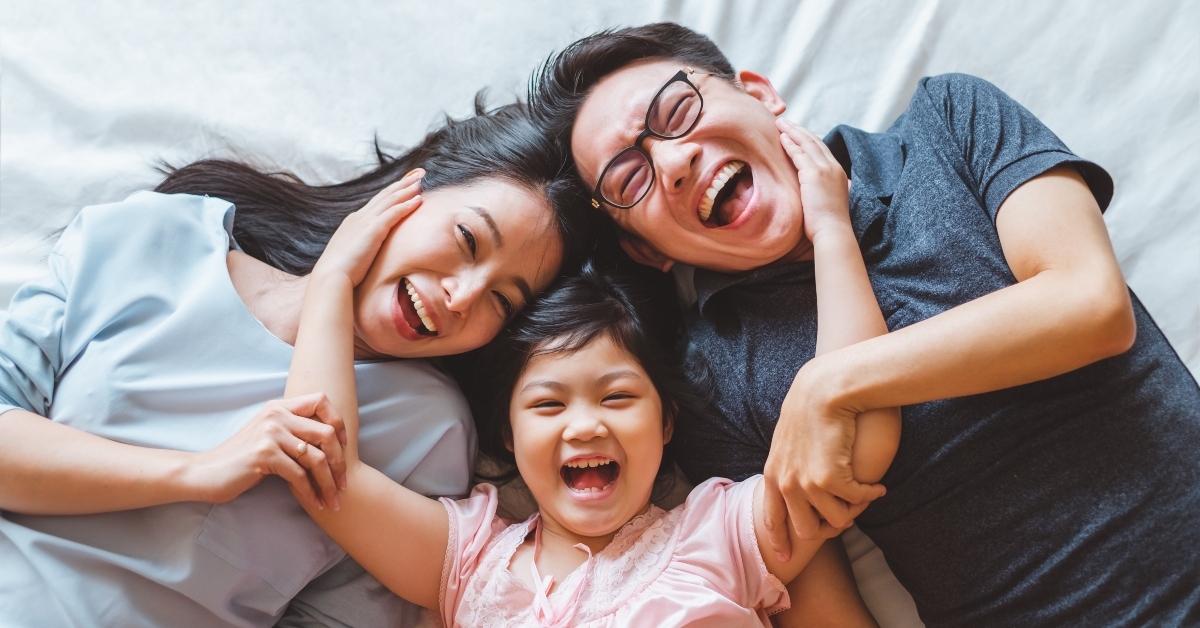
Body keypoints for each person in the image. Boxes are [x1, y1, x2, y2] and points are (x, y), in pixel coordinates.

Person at [526, 22, 1200, 626]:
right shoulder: (712, 381)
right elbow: (815, 600)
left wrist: (830, 384)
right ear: (647, 250)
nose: (673, 164)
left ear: (760, 94)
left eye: (678, 111)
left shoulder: (950, 121)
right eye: (628, 178)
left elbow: (1090, 306)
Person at [0, 103, 595, 627]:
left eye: (502, 300)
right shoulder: (156, 233)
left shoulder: (428, 430)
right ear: (410, 191)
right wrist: (195, 472)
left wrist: (334, 284)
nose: (462, 296)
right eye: (467, 239)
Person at [275, 124, 897, 623]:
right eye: (548, 405)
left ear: (666, 422)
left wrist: (831, 233)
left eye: (618, 396)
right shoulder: (467, 559)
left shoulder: (720, 535)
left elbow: (855, 434)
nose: (584, 426)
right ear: (510, 439)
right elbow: (324, 467)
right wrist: (333, 279)